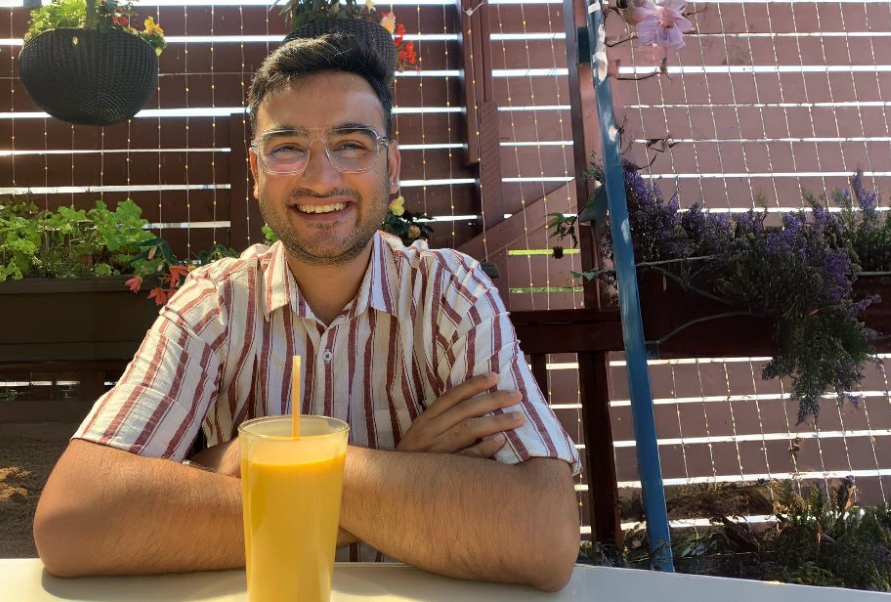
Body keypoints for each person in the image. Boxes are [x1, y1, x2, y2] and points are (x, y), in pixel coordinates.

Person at [33, 34, 582, 592]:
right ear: (255, 170)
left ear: (391, 167)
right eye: (287, 147)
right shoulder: (213, 304)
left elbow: (544, 536)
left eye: (351, 144)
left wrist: (252, 461)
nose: (321, 178)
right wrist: (399, 469)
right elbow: (74, 522)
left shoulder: (450, 294)